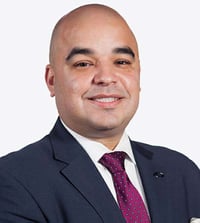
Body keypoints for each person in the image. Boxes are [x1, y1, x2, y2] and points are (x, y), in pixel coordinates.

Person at [0, 3, 199, 223]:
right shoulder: (13, 180)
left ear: (138, 74)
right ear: (52, 80)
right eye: (84, 64)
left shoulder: (181, 172)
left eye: (121, 62)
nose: (106, 77)